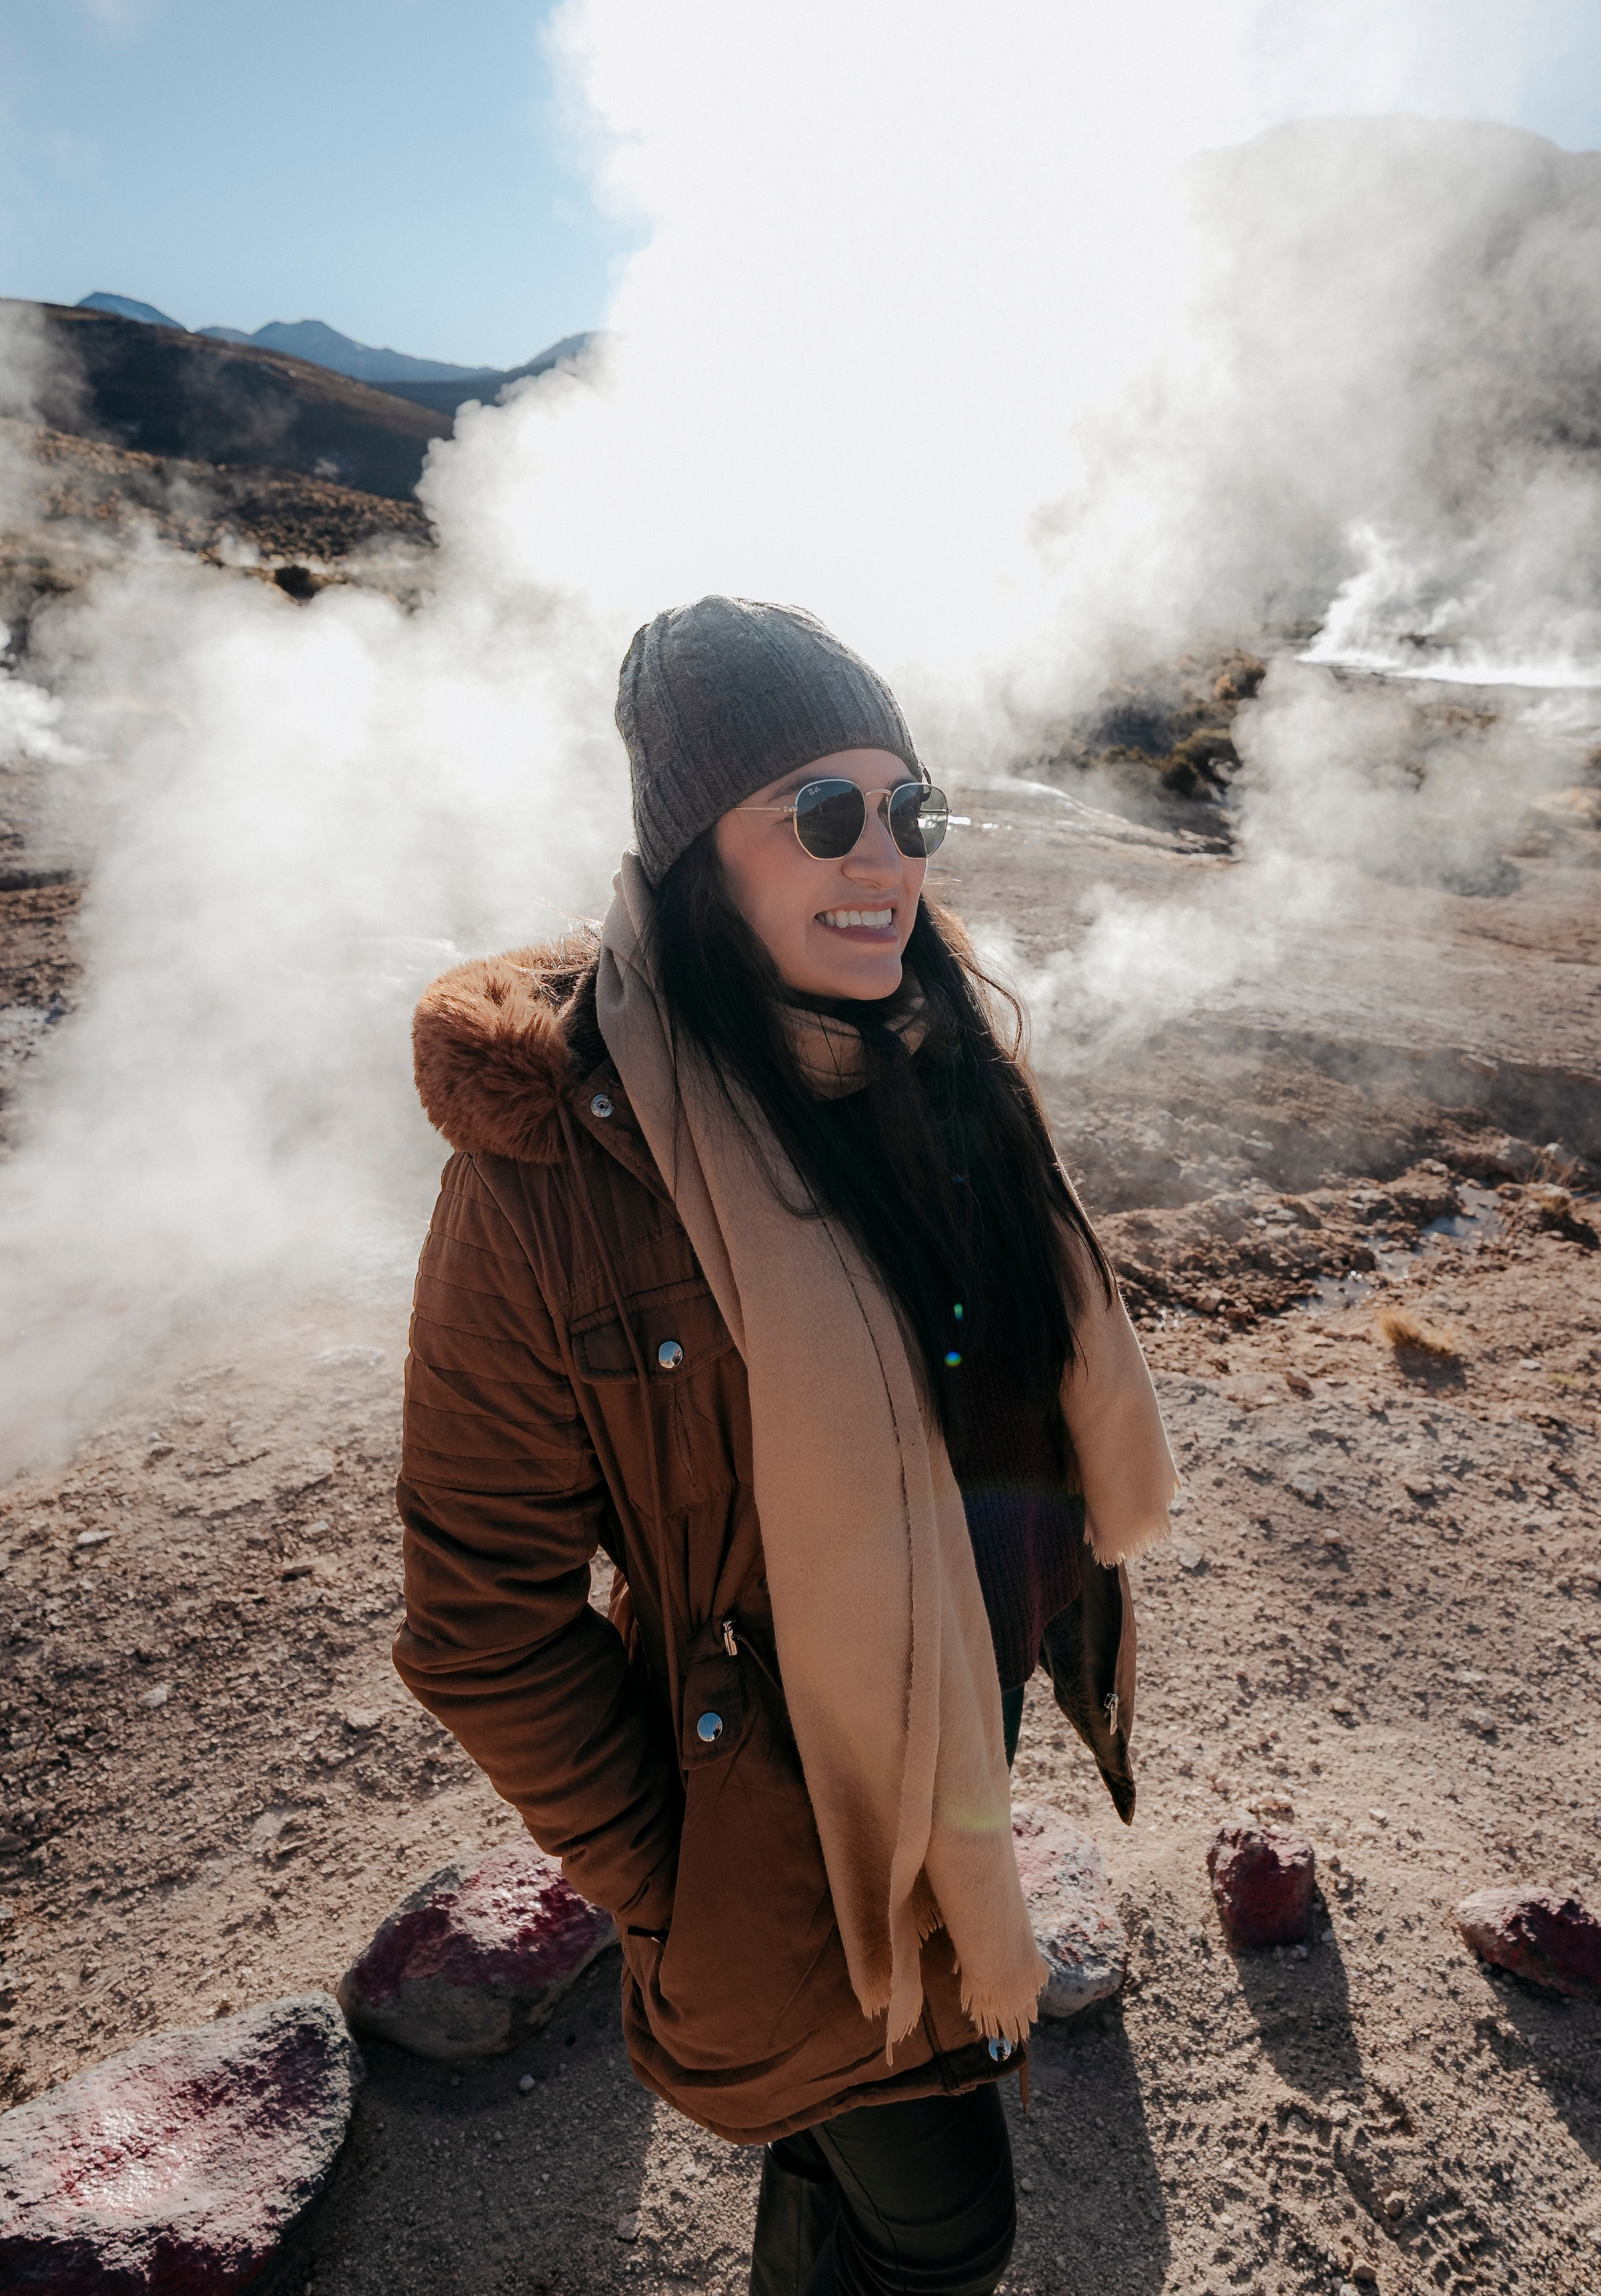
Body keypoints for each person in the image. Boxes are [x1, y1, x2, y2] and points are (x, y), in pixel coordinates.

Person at [395, 596, 1177, 2295]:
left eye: (909, 807)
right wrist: (667, 1879)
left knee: (852, 2165)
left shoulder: (940, 1058)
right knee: (951, 2228)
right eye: (821, 811)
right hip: (775, 1825)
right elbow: (481, 1617)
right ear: (699, 853)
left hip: (947, 1718)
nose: (882, 854)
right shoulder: (558, 1175)